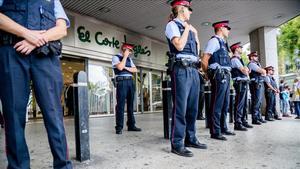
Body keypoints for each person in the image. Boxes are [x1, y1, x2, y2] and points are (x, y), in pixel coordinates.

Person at [0, 0, 73, 168]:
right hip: (12, 52)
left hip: (45, 56)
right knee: (13, 116)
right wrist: (26, 33)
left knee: (54, 114)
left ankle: (63, 165)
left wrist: (35, 39)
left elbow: (61, 29)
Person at [165, 0, 207, 157]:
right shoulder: (172, 25)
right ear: (181, 9)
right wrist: (188, 30)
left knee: (192, 108)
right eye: (189, 9)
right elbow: (179, 46)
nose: (191, 12)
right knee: (180, 108)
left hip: (193, 69)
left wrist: (195, 35)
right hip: (181, 69)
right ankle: (177, 143)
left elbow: (196, 52)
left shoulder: (189, 28)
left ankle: (190, 138)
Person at [202, 20, 235, 141]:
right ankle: (215, 131)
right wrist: (207, 74)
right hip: (219, 76)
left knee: (225, 104)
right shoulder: (214, 41)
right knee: (217, 104)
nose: (229, 30)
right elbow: (205, 59)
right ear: (220, 28)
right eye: (227, 28)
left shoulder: (223, 43)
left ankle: (223, 127)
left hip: (226, 75)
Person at [112, 43, 141, 134]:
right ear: (124, 50)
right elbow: (120, 67)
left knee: (130, 105)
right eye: (129, 51)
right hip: (122, 82)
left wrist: (126, 67)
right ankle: (119, 127)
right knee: (120, 105)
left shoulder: (130, 59)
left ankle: (131, 125)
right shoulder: (116, 57)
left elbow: (135, 70)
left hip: (130, 82)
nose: (130, 53)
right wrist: (124, 58)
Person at [230, 42, 253, 131]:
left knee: (243, 104)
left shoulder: (239, 59)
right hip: (239, 83)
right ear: (236, 49)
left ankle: (243, 121)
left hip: (243, 82)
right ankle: (238, 123)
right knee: (240, 103)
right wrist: (246, 70)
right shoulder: (235, 59)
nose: (241, 48)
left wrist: (246, 70)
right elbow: (244, 71)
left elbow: (247, 70)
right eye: (240, 47)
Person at [247, 52, 267, 125]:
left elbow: (264, 72)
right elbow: (263, 71)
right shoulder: (252, 64)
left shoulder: (257, 64)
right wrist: (263, 72)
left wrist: (263, 72)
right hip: (255, 84)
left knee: (259, 101)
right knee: (256, 101)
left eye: (256, 56)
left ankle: (259, 117)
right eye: (255, 56)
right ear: (251, 57)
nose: (257, 57)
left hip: (259, 83)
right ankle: (255, 119)